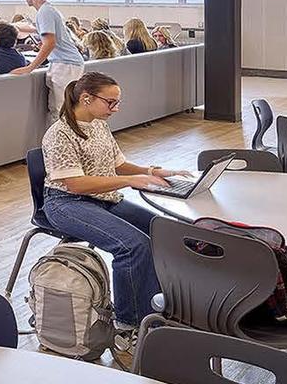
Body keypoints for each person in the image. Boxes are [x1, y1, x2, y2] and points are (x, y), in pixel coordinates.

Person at [40, 71, 192, 363]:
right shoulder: (59, 133)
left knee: (161, 231)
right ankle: (127, 326)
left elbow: (117, 164)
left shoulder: (97, 125)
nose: (116, 108)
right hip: (65, 203)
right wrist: (131, 181)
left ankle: (154, 308)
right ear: (86, 99)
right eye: (111, 102)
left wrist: (150, 172)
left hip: (98, 199)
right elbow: (75, 184)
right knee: (133, 246)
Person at [12, 0, 84, 106]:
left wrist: (29, 68)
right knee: (59, 107)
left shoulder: (44, 12)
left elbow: (50, 43)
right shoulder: (49, 10)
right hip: (66, 64)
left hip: (65, 64)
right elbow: (41, 30)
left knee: (61, 109)